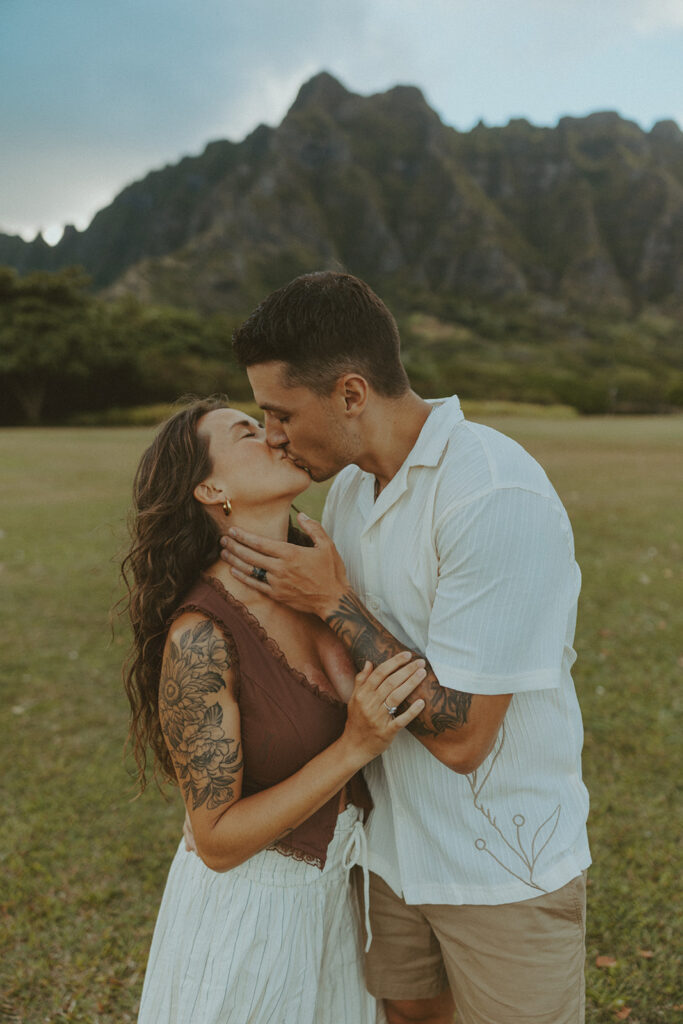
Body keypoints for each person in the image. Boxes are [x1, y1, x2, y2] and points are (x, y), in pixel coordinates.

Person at [221, 271, 591, 1024]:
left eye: (280, 414)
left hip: (500, 871)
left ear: (351, 395)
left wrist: (332, 600)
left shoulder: (491, 494)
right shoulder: (352, 490)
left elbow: (462, 737)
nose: (271, 437)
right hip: (389, 856)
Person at [121, 396, 426, 1024]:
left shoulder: (319, 581)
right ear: (211, 487)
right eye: (248, 433)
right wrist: (354, 747)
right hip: (249, 924)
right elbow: (216, 841)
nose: (276, 437)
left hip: (338, 909)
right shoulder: (201, 636)